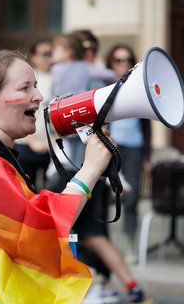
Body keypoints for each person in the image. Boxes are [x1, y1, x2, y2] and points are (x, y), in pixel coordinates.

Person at [0, 50, 113, 304]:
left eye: (35, 85)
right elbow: (38, 228)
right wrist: (89, 170)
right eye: (24, 88)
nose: (38, 96)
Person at [49, 31, 149, 303]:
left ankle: (96, 285)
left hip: (76, 170)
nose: (53, 55)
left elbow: (58, 121)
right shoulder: (104, 77)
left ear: (69, 52)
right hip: (99, 169)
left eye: (57, 49)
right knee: (91, 235)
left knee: (68, 231)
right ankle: (119, 285)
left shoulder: (65, 73)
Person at [105, 44, 152, 247]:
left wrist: (147, 156)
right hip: (110, 145)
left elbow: (147, 123)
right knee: (107, 194)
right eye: (118, 60)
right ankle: (107, 242)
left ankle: (129, 240)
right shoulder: (104, 85)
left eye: (127, 60)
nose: (123, 64)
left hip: (134, 146)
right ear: (111, 63)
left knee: (132, 197)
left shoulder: (139, 87)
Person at [14, 38, 53, 186]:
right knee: (25, 191)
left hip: (51, 147)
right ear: (34, 56)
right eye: (45, 53)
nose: (50, 57)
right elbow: (18, 109)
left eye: (52, 53)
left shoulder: (59, 77)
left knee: (48, 195)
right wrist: (33, 142)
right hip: (25, 144)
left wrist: (51, 143)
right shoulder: (26, 78)